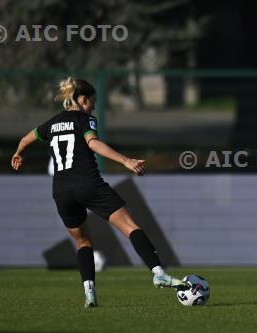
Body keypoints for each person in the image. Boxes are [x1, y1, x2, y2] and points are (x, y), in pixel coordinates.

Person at [11, 77, 187, 308]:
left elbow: (26, 139)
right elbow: (93, 144)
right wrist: (126, 160)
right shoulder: (85, 119)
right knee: (131, 227)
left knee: (82, 242)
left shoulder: (52, 123)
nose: (93, 107)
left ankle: (89, 294)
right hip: (88, 184)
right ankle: (158, 272)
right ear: (82, 99)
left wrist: (18, 154)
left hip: (61, 190)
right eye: (92, 102)